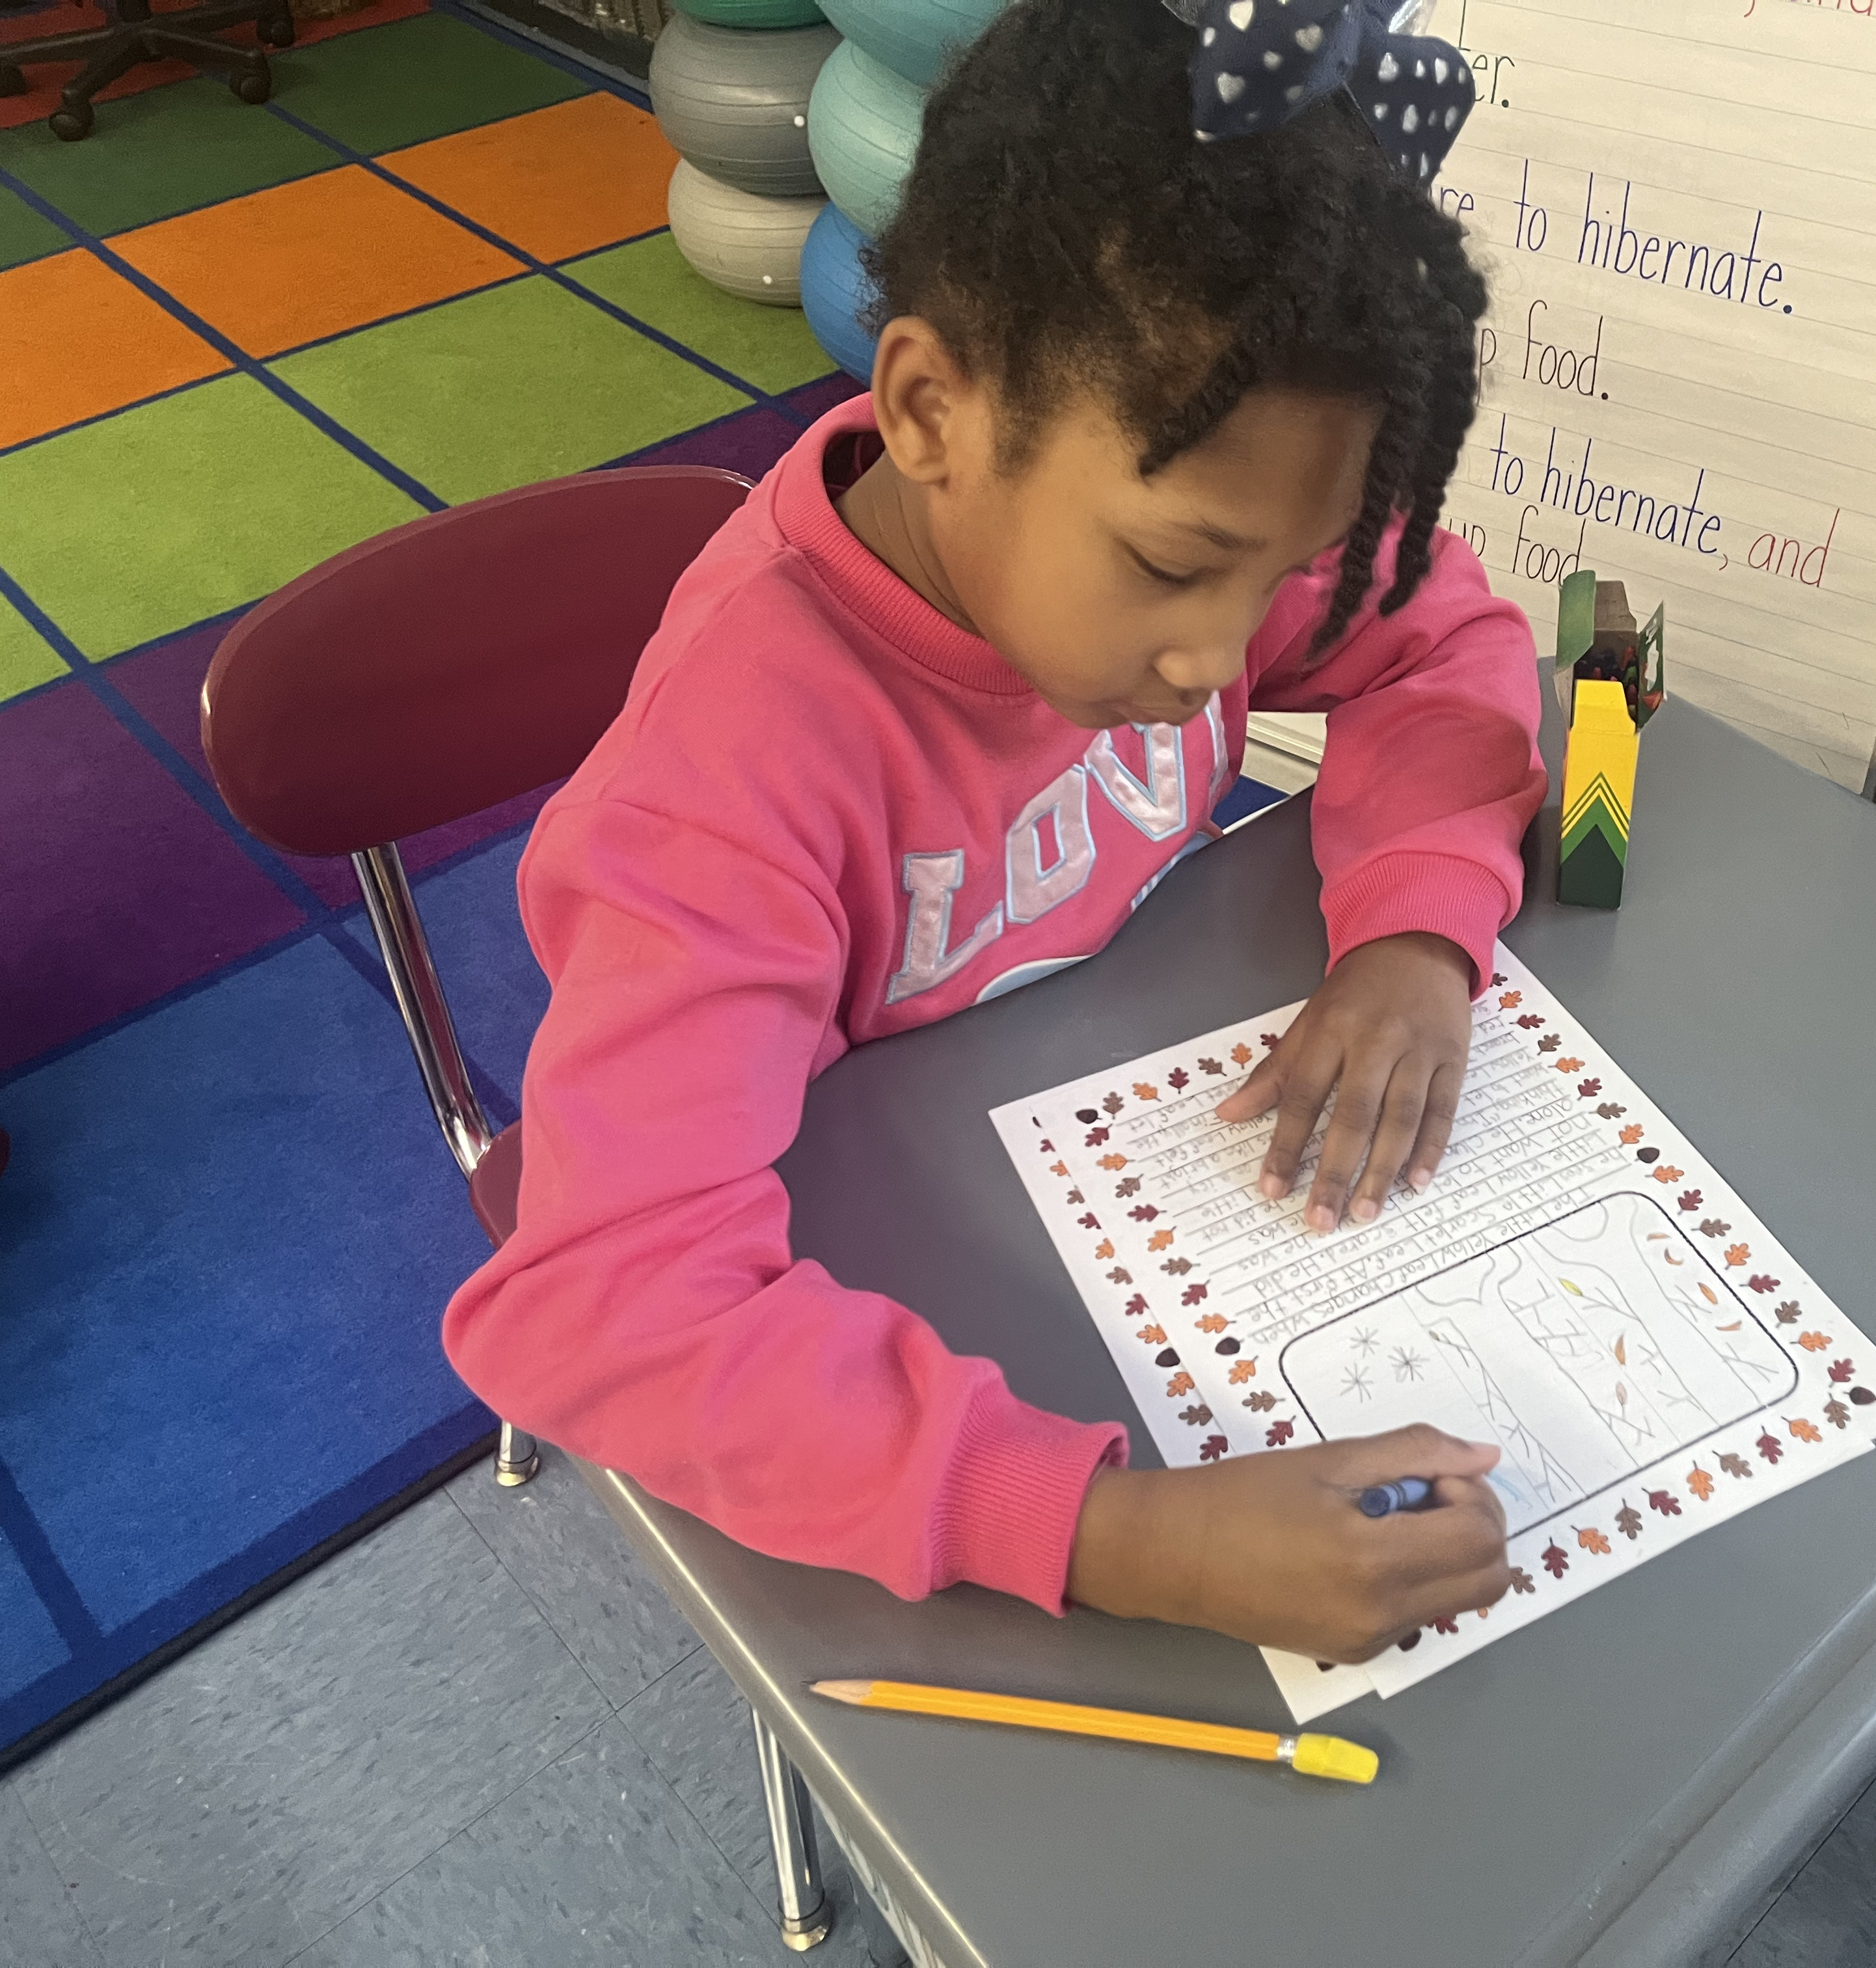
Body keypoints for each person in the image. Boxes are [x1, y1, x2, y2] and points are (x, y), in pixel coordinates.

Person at [442, 0, 1545, 1667]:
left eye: (1274, 573)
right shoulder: (723, 792)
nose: (1223, 654)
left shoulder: (1188, 512)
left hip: (1101, 1153)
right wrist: (1117, 1537)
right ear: (930, 411)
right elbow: (612, 1305)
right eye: (1177, 568)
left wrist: (1414, 928)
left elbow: (1441, 640)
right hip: (901, 1278)